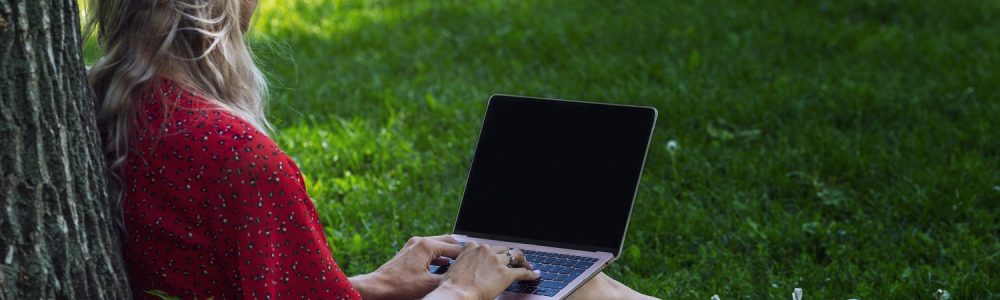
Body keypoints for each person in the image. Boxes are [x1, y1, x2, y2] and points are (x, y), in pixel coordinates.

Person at [85, 0, 656, 298]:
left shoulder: (108, 108)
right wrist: (461, 290)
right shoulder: (238, 157)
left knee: (579, 285)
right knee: (539, 292)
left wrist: (373, 285)